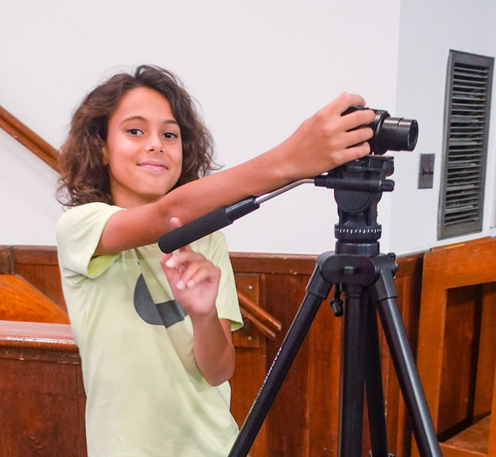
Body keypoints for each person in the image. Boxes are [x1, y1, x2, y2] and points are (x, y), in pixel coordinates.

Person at [54, 64, 375, 455]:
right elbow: (166, 215)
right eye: (134, 131)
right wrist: (290, 160)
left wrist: (204, 315)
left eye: (169, 134)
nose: (155, 144)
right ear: (101, 147)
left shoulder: (207, 239)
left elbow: (218, 371)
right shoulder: (82, 228)